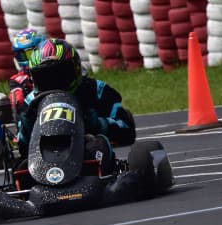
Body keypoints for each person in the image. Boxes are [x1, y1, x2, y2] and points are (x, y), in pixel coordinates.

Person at [15, 38, 135, 174]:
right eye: (46, 77)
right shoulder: (31, 102)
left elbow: (126, 129)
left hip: (86, 154)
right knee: (21, 167)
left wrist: (97, 124)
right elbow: (23, 146)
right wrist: (27, 126)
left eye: (60, 75)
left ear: (75, 68)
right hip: (44, 156)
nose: (54, 82)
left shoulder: (95, 89)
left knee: (99, 145)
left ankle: (105, 177)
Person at [8, 27, 45, 113]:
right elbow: (17, 103)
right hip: (34, 114)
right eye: (21, 55)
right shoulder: (17, 80)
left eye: (29, 53)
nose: (24, 58)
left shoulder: (55, 68)